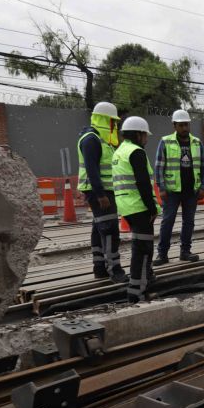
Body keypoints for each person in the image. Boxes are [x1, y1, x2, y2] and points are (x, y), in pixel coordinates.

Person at [76, 101, 127, 283]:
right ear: (104, 120)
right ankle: (115, 270)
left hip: (104, 191)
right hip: (100, 193)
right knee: (109, 229)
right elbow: (92, 170)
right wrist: (100, 195)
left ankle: (99, 268)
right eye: (112, 121)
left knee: (99, 230)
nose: (115, 125)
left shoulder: (101, 139)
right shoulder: (91, 139)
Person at [111, 116, 161, 303]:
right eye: (145, 135)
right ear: (139, 134)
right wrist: (152, 208)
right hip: (139, 207)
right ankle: (136, 293)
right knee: (143, 250)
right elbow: (143, 184)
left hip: (126, 207)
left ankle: (145, 284)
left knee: (141, 247)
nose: (146, 139)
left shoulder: (119, 152)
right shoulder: (136, 152)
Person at [153, 109, 204, 265]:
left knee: (188, 222)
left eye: (187, 125)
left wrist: (203, 187)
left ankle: (185, 251)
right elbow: (159, 167)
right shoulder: (165, 141)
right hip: (171, 191)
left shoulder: (197, 142)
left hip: (191, 190)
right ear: (174, 125)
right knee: (167, 221)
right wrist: (161, 188)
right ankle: (162, 254)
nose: (185, 128)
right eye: (181, 125)